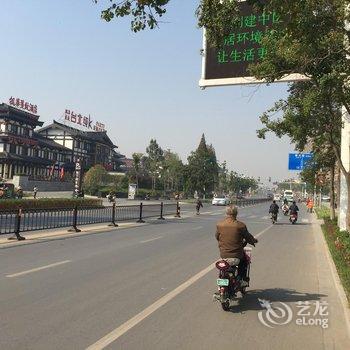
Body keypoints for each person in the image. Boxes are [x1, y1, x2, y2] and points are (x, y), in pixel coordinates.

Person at [215, 206, 258, 287]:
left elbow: (217, 237)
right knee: (244, 261)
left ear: (226, 213)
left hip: (223, 255)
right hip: (236, 255)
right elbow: (248, 237)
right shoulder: (240, 225)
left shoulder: (219, 224)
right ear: (236, 213)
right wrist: (254, 241)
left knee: (223, 268)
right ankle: (241, 280)